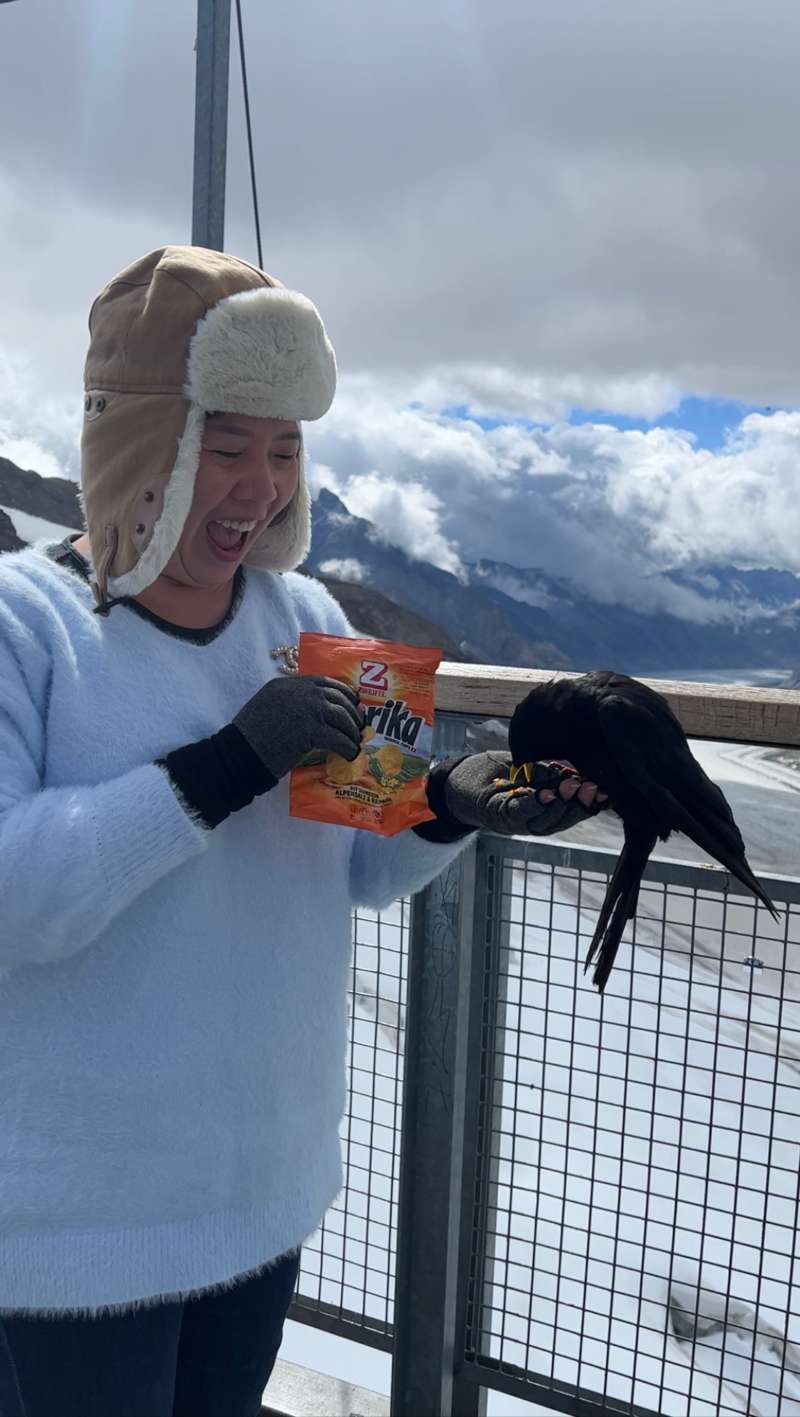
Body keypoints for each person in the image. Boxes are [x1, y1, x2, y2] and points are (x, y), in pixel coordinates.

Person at [0, 245, 606, 1417]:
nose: (258, 487)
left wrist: (449, 803)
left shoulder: (313, 621)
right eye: (224, 446)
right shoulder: (31, 627)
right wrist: (226, 763)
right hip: (72, 1226)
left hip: (259, 1198)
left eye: (283, 450)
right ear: (142, 440)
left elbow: (366, 864)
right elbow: (16, 900)